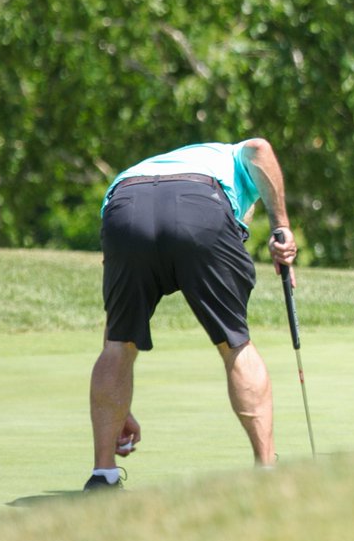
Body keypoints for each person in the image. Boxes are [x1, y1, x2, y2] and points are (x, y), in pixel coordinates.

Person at [84, 138, 298, 490]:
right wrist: (282, 226)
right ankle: (266, 471)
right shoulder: (230, 160)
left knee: (119, 344)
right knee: (235, 343)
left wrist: (117, 409)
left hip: (125, 205)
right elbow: (260, 148)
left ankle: (102, 475)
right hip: (201, 204)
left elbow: (114, 323)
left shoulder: (143, 169)